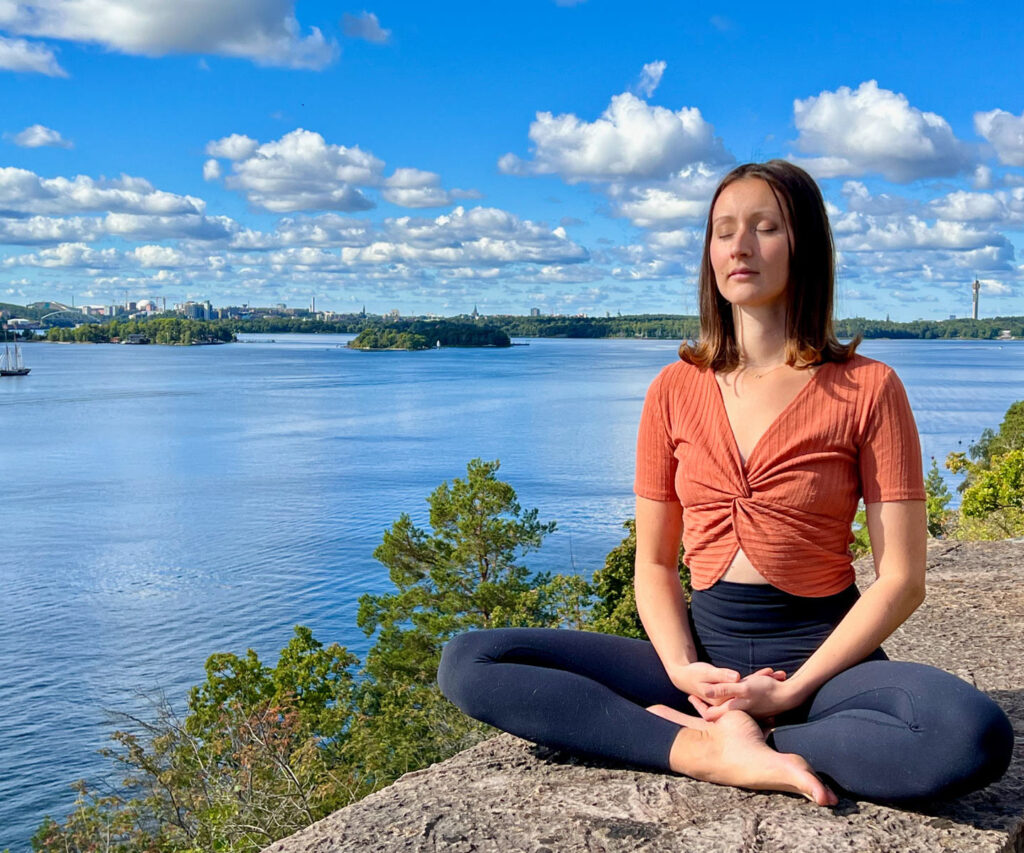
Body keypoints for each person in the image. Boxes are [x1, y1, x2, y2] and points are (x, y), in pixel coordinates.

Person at [437, 160, 1014, 804]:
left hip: (822, 663)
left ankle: (768, 738)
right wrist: (684, 671)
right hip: (701, 660)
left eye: (765, 227)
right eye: (722, 231)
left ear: (806, 247)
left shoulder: (868, 387)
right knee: (471, 661)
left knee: (971, 736)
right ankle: (706, 750)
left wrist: (790, 691)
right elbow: (654, 565)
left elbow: (902, 579)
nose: (739, 246)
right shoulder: (673, 390)